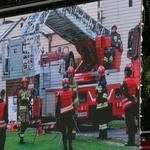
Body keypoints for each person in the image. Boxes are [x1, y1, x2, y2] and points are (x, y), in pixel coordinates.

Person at [120, 64, 138, 146]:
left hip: (128, 106)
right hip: (134, 105)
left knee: (129, 123)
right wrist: (135, 99)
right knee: (133, 124)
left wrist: (131, 99)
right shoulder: (134, 81)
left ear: (126, 73)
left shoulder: (125, 82)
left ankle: (130, 142)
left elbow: (125, 93)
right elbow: (136, 92)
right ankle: (133, 141)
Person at [55, 78, 74, 150]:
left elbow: (58, 106)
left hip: (63, 115)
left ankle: (65, 147)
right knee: (69, 132)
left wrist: (56, 116)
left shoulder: (60, 93)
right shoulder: (71, 91)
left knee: (64, 132)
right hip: (70, 114)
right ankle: (70, 146)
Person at [95, 65, 109, 140]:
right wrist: (96, 91)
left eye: (99, 73)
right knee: (100, 121)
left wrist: (101, 100)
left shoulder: (103, 82)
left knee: (103, 122)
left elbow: (104, 92)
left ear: (102, 73)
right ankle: (101, 135)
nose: (98, 74)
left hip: (102, 104)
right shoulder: (101, 81)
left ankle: (103, 135)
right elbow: (100, 92)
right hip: (100, 104)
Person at [66, 66, 79, 140]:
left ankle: (73, 134)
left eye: (69, 73)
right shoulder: (67, 81)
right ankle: (69, 133)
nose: (68, 74)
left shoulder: (74, 81)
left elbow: (73, 93)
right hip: (69, 102)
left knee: (74, 117)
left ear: (72, 74)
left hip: (74, 102)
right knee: (68, 118)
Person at [18, 77, 30, 144]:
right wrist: (29, 97)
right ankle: (21, 139)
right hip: (22, 109)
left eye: (26, 83)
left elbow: (27, 100)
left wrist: (30, 103)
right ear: (22, 84)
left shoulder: (25, 91)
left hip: (26, 108)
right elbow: (23, 99)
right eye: (24, 83)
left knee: (27, 122)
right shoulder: (21, 91)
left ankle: (20, 133)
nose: (25, 84)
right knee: (23, 123)